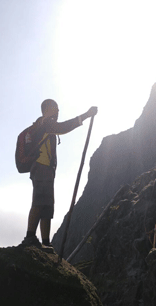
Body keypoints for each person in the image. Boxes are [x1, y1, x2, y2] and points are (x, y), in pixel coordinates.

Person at [21, 99, 98, 248]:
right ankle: (30, 237)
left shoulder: (44, 125)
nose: (57, 111)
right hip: (41, 168)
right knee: (40, 201)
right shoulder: (44, 124)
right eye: (55, 108)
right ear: (47, 109)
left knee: (47, 205)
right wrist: (86, 115)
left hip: (46, 170)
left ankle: (45, 242)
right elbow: (63, 127)